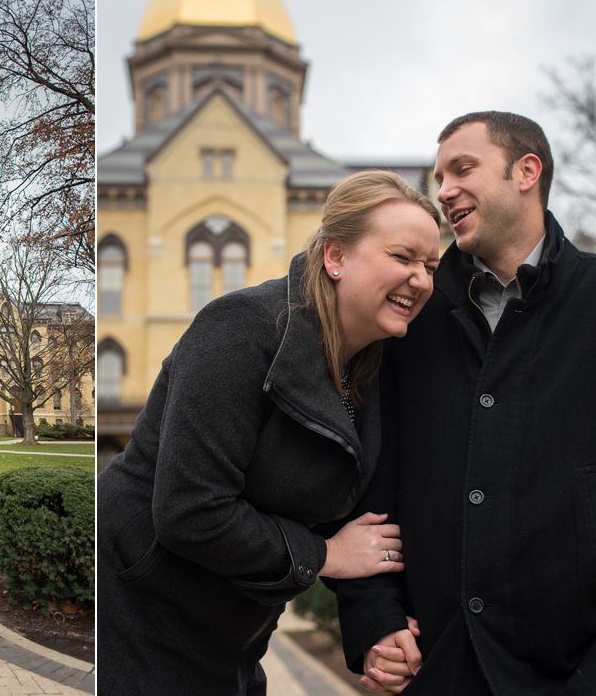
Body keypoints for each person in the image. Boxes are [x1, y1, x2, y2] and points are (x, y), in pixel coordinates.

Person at [97, 170, 441, 695]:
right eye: (402, 257)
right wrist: (326, 555)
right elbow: (190, 510)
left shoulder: (374, 365)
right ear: (336, 257)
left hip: (235, 629)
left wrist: (380, 627)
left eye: (430, 265)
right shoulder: (241, 329)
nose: (420, 278)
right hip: (140, 610)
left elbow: (367, 524)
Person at [336, 111, 596, 695]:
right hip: (436, 669)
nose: (444, 190)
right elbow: (367, 488)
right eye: (439, 176)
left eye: (463, 169)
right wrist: (374, 622)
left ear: (526, 171)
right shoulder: (406, 315)